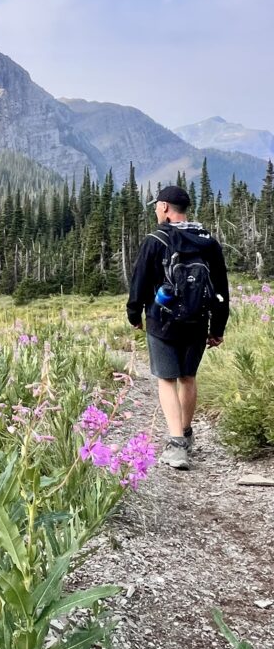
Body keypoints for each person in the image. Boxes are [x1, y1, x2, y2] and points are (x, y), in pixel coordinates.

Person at [127, 184, 229, 470]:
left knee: (167, 380)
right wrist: (218, 327)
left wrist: (134, 314)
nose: (157, 210)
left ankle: (176, 446)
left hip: (162, 321)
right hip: (199, 321)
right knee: (188, 377)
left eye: (158, 206)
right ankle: (186, 433)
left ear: (164, 208)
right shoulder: (207, 241)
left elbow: (140, 282)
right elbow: (221, 288)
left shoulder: (156, 239)